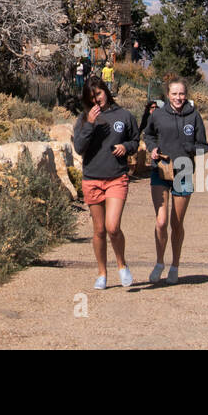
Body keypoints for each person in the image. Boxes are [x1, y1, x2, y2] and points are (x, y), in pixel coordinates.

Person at [72, 77, 139, 289]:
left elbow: (135, 141)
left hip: (116, 177)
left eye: (99, 94)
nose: (96, 100)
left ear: (106, 92)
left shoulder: (124, 115)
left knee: (113, 227)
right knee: (99, 230)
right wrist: (90, 123)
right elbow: (79, 147)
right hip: (92, 178)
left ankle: (122, 265)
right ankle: (102, 272)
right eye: (92, 98)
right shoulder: (84, 119)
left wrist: (126, 147)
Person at [142, 77, 208, 284]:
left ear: (186, 94)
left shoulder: (194, 116)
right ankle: (159, 262)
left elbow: (204, 146)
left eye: (181, 94)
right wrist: (152, 148)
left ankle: (175, 266)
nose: (178, 97)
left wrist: (188, 149)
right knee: (161, 221)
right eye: (174, 94)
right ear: (167, 95)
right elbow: (148, 135)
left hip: (183, 171)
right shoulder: (158, 115)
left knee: (176, 223)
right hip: (160, 170)